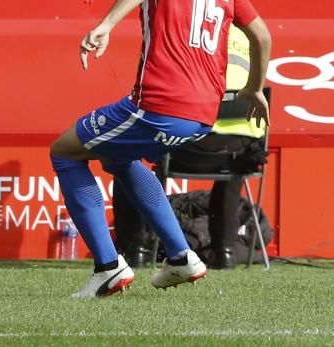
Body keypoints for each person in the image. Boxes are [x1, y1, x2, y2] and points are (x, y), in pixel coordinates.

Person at [49, 0, 271, 298]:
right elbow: (261, 34)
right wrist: (254, 89)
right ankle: (179, 257)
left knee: (65, 153)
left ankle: (108, 266)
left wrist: (107, 23)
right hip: (206, 113)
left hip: (160, 104)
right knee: (119, 160)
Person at [113, 25, 267, 270]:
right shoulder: (248, 36)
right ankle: (225, 252)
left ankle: (137, 251)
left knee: (119, 156)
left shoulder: (184, 33)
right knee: (232, 167)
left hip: (186, 149)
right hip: (239, 152)